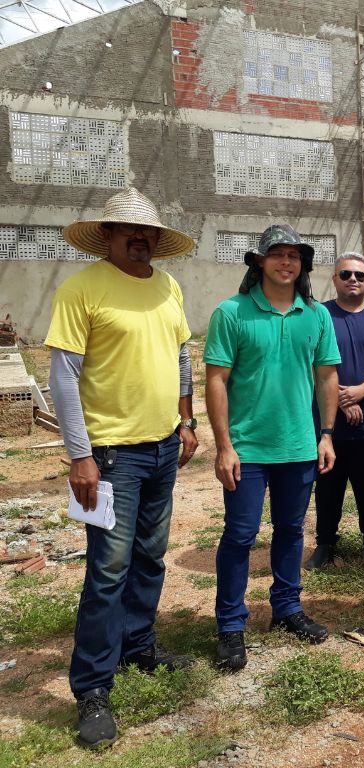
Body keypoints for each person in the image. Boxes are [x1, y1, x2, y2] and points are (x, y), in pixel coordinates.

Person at [46, 187, 198, 748]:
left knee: (150, 557)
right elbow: (63, 376)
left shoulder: (168, 286)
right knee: (108, 570)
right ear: (107, 235)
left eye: (148, 232)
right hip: (110, 455)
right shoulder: (82, 289)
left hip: (161, 447)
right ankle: (91, 686)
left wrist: (185, 419)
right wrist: (80, 454)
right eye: (128, 230)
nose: (140, 238)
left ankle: (139, 648)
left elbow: (180, 353)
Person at [205, 224, 340, 671]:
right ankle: (230, 625)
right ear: (259, 261)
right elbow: (217, 381)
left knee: (291, 531)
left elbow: (326, 377)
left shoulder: (316, 315)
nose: (286, 262)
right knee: (240, 536)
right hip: (247, 448)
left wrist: (326, 434)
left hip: (299, 446)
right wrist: (223, 446)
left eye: (294, 256)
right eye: (277, 254)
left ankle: (286, 609)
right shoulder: (232, 312)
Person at [305, 253, 364, 569]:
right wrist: (341, 402)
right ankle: (326, 544)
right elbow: (312, 363)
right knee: (328, 487)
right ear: (335, 279)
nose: (353, 280)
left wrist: (359, 392)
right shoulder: (319, 314)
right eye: (345, 274)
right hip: (328, 423)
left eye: (359, 275)